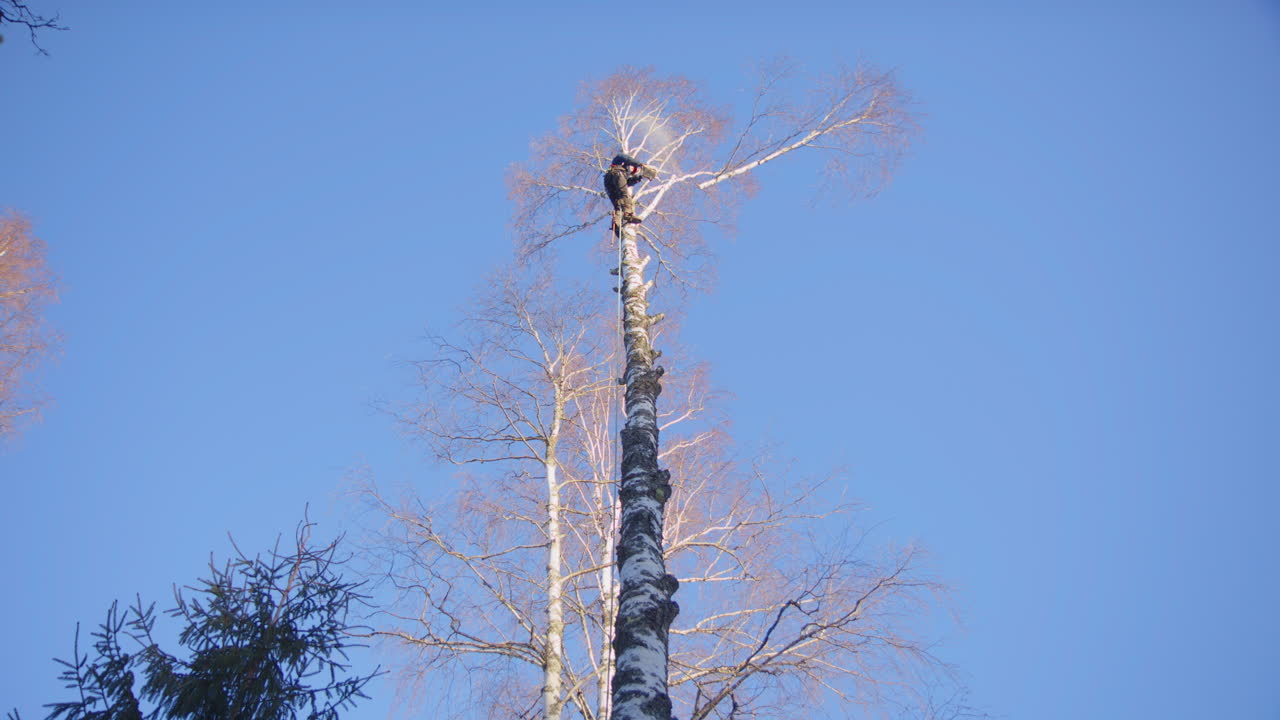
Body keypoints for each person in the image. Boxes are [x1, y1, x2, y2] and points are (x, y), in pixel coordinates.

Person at [603, 153, 656, 230]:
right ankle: (628, 214)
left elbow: (626, 183)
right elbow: (624, 157)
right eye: (631, 169)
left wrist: (640, 177)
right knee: (625, 195)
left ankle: (616, 223)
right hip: (616, 173)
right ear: (629, 165)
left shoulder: (621, 173)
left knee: (618, 203)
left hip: (608, 183)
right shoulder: (620, 161)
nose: (630, 172)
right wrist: (640, 164)